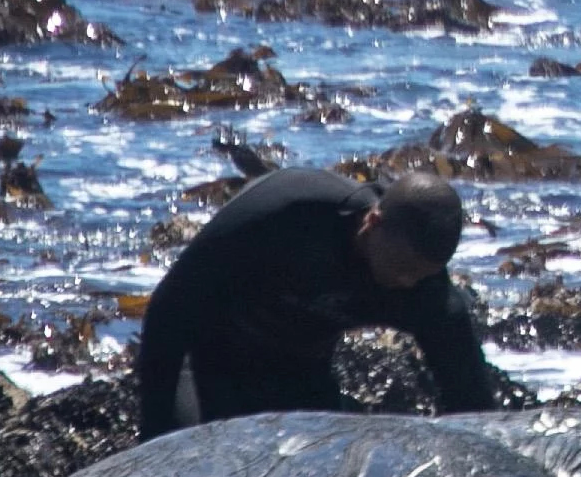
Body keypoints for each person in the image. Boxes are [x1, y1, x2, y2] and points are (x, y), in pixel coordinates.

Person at [132, 164, 497, 438]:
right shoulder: (289, 211)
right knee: (188, 453)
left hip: (299, 372)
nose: (406, 283)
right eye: (400, 268)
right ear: (372, 224)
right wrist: (155, 425)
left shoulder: (426, 289)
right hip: (207, 357)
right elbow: (170, 305)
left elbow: (469, 403)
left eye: (421, 275)